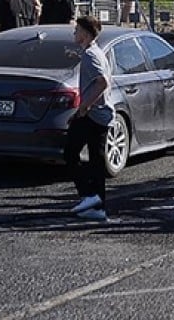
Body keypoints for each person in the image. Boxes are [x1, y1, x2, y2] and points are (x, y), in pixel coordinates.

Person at [65, 16, 114, 221]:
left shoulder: (90, 55)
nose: (74, 33)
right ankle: (97, 206)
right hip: (101, 114)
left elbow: (102, 82)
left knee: (70, 153)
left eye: (76, 30)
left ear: (85, 34)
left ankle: (88, 194)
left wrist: (84, 107)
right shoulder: (94, 52)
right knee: (96, 160)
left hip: (93, 114)